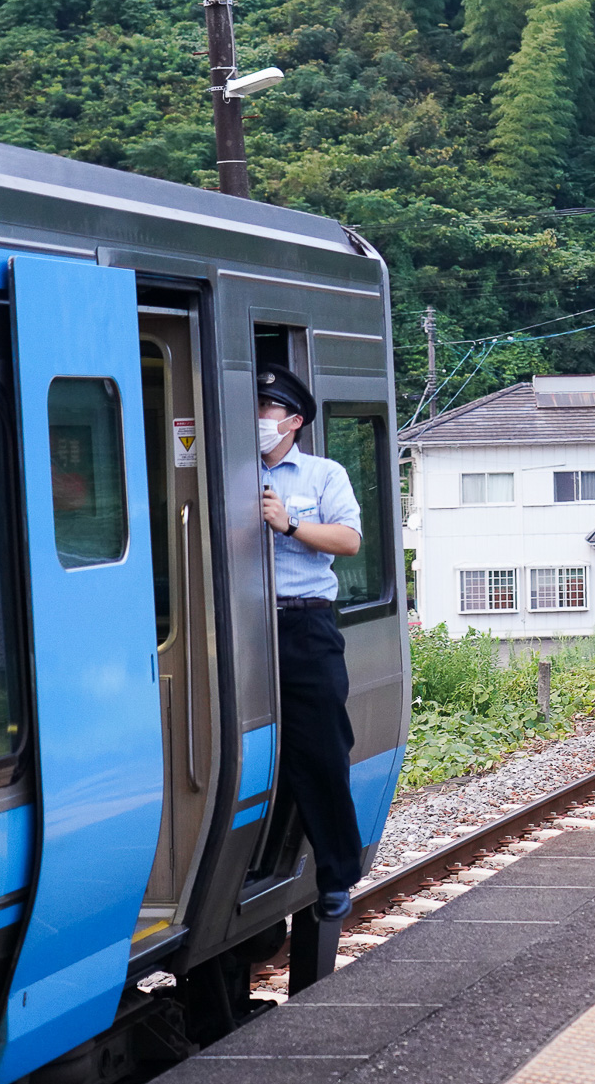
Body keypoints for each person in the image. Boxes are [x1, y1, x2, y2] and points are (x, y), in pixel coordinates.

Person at [256, 365, 364, 920]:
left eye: (268, 408)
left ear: (293, 421)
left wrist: (289, 525)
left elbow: (348, 539)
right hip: (242, 630)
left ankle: (337, 877)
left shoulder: (323, 474)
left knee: (321, 751)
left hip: (306, 625)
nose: (258, 416)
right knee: (254, 751)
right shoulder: (230, 468)